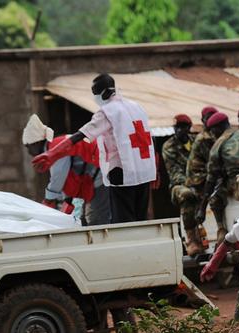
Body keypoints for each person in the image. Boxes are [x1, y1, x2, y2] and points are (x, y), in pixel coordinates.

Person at [32, 73, 156, 223]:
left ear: (102, 93)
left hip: (123, 172)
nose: (94, 98)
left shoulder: (107, 112)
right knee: (141, 218)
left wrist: (51, 154)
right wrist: (156, 166)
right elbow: (150, 137)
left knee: (124, 221)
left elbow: (79, 135)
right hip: (144, 171)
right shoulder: (137, 107)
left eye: (94, 93)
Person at [23, 114, 110, 223]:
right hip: (97, 175)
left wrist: (48, 200)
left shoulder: (55, 147)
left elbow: (59, 177)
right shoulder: (56, 145)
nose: (29, 152)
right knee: (88, 218)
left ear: (36, 143)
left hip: (101, 174)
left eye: (28, 147)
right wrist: (67, 199)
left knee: (99, 220)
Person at [161, 114, 205, 256]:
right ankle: (191, 239)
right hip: (179, 185)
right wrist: (191, 184)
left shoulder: (197, 142)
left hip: (199, 182)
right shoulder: (169, 145)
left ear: (188, 127)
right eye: (176, 127)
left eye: (181, 127)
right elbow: (174, 171)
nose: (178, 130)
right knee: (187, 195)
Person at [186, 106, 228, 243]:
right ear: (203, 120)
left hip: (208, 172)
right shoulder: (205, 138)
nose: (211, 119)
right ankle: (221, 228)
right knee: (219, 190)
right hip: (199, 178)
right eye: (209, 116)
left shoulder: (216, 135)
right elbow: (214, 164)